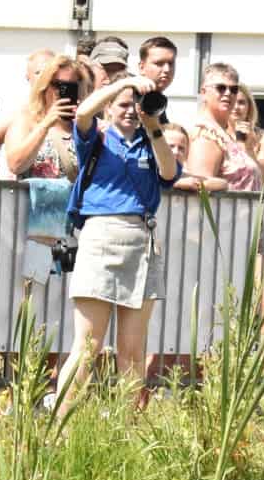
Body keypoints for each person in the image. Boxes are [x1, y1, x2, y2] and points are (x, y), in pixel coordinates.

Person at [52, 75, 178, 413]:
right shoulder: (97, 137)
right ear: (109, 107)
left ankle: (127, 429)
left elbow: (168, 173)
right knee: (88, 344)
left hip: (141, 236)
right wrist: (124, 83)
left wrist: (153, 126)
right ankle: (60, 425)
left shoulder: (150, 139)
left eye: (134, 105)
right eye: (123, 105)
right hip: (101, 235)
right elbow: (82, 114)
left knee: (132, 349)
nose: (130, 111)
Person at [183, 63, 264, 194]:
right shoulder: (206, 134)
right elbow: (199, 192)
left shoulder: (224, 134)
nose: (228, 93)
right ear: (203, 92)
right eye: (220, 88)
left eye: (234, 89)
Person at [231, 88, 264, 190]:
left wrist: (249, 148)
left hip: (250, 200)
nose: (236, 107)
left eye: (241, 102)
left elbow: (262, 179)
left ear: (249, 107)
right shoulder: (217, 134)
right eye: (232, 102)